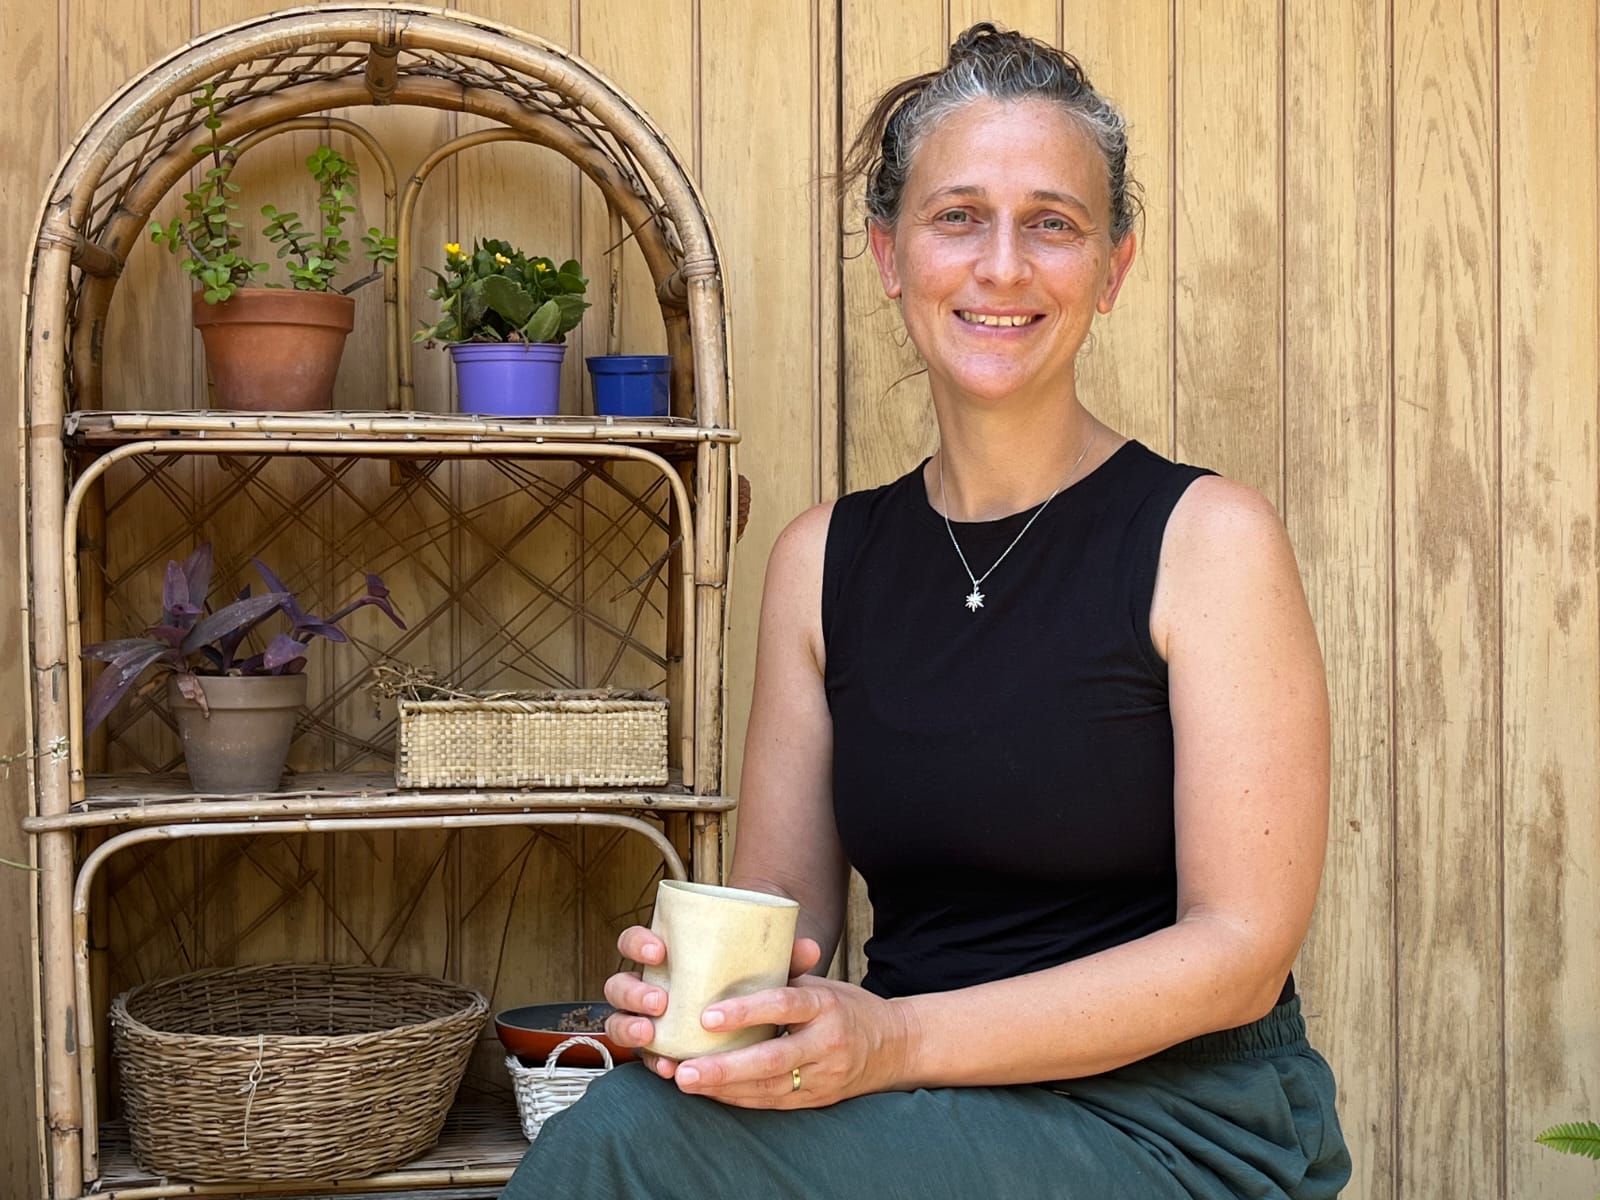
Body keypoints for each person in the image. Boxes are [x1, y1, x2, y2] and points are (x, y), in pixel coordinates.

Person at [501, 23, 1350, 1199]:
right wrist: (700, 1007)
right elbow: (778, 934)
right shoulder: (821, 561)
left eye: (1052, 222)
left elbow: (1236, 960)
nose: (1002, 264)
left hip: (1176, 1117)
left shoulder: (1207, 543)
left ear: (1112, 268)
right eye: (957, 216)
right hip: (898, 1112)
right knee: (639, 1114)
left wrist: (894, 1040)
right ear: (889, 253)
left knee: (622, 1150)